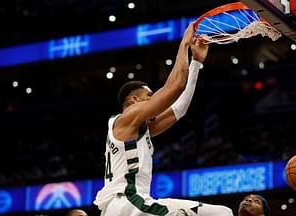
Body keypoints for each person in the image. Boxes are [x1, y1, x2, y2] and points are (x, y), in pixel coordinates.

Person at [93, 22, 232, 216]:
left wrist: (196, 64)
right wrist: (184, 45)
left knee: (222, 213)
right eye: (149, 96)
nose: (155, 101)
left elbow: (179, 109)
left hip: (131, 203)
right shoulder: (127, 117)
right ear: (134, 100)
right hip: (128, 203)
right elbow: (175, 86)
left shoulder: (140, 128)